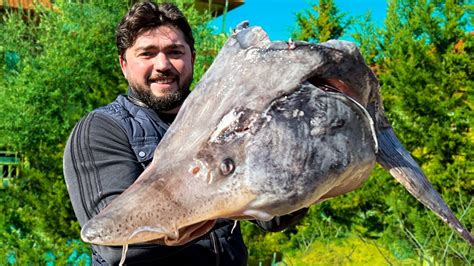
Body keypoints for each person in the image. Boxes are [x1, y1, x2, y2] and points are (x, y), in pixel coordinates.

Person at [63, 2, 307, 265]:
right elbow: (117, 245)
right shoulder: (102, 129)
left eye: (174, 52)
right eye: (147, 54)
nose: (163, 65)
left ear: (192, 56)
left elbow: (273, 217)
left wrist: (301, 175)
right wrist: (227, 201)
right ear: (124, 64)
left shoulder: (224, 122)